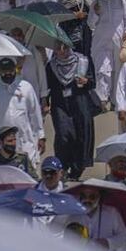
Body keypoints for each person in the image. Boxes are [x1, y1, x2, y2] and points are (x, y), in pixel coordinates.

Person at [0, 57, 45, 164]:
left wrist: (41, 136)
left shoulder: (26, 88)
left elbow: (34, 114)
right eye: (4, 71)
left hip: (23, 142)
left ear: (15, 70)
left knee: (26, 175)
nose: (8, 73)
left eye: (10, 70)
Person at [45, 40, 97, 181]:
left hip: (79, 102)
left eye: (65, 47)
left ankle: (76, 169)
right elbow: (47, 86)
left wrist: (85, 81)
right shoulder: (51, 66)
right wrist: (45, 102)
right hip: (60, 104)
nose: (62, 51)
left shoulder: (83, 61)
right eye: (58, 48)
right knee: (63, 135)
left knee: (80, 135)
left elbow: (93, 82)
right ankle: (62, 166)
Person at [76, 183, 126, 251]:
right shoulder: (74, 214)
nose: (87, 200)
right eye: (83, 196)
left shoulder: (111, 213)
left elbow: (124, 236)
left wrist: (108, 242)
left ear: (99, 197)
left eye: (92, 197)